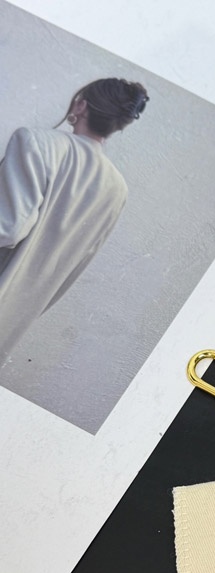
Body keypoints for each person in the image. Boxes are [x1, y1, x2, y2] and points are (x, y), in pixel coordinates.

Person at [0, 78, 148, 363]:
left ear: (81, 106)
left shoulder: (34, 142)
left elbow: (8, 228)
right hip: (12, 320)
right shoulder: (116, 189)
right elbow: (71, 271)